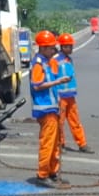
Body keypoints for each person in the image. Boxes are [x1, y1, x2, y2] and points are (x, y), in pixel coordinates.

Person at [28, 30, 65, 184]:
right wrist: (58, 82)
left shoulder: (48, 62)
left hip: (52, 108)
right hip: (45, 109)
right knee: (48, 143)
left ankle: (52, 172)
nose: (53, 50)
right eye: (50, 48)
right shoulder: (38, 64)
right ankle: (42, 174)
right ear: (42, 48)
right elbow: (37, 86)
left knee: (55, 143)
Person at [55, 33, 94, 154]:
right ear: (62, 47)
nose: (71, 48)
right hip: (60, 97)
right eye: (69, 46)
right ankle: (60, 145)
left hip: (71, 97)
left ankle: (82, 144)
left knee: (75, 122)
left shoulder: (69, 60)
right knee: (59, 123)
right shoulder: (55, 61)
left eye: (71, 46)